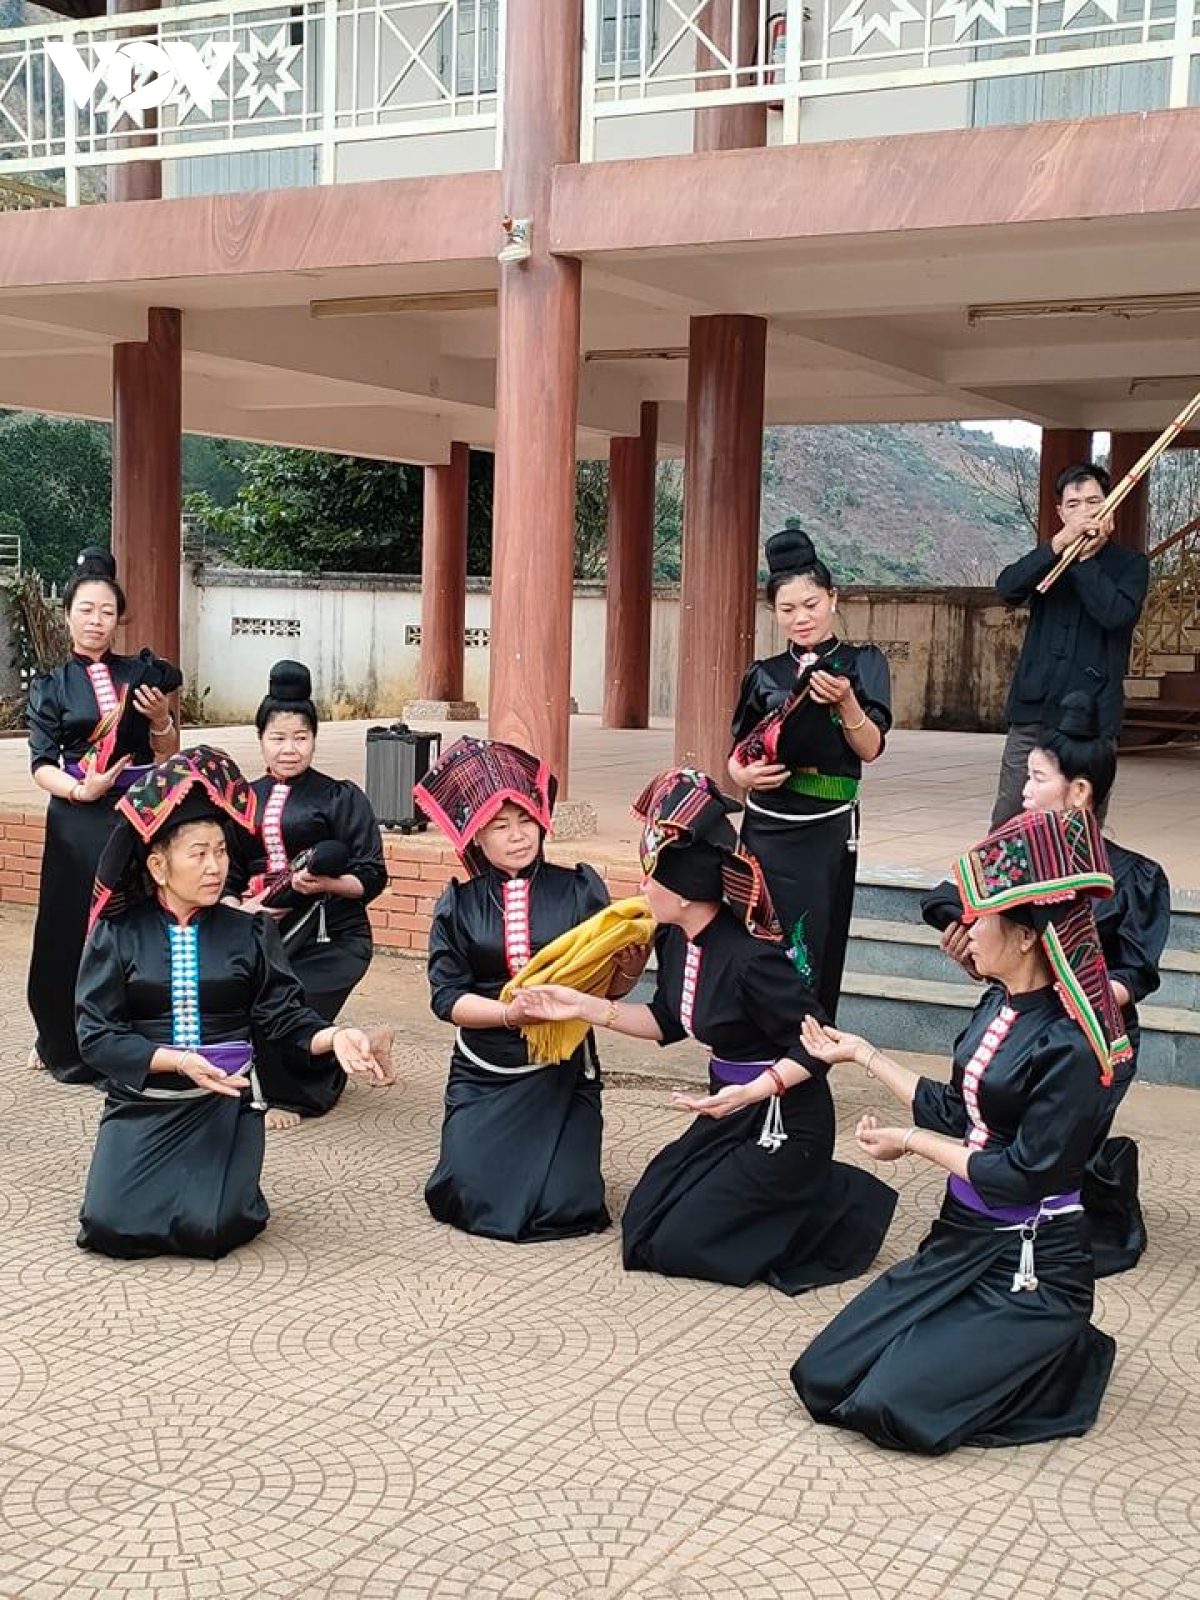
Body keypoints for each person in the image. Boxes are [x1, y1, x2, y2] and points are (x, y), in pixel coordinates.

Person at [791, 807, 1124, 1455]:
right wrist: (862, 1053)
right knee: (824, 1377)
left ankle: (1064, 1352)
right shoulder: (998, 1002)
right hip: (960, 1239)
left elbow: (1018, 1176)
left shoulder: (1070, 1044)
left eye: (980, 918)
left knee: (892, 1408)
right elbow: (956, 1111)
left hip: (1032, 1264)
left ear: (1026, 936)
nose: (965, 930)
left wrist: (909, 1142)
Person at [522, 768, 897, 1293]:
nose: (643, 887)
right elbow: (666, 1020)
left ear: (684, 893)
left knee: (682, 1244)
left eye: (652, 878)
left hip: (782, 1118)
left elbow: (821, 1045)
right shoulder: (676, 939)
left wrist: (753, 1091)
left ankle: (835, 1201)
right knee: (645, 1218)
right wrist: (581, 1005)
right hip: (728, 1111)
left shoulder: (751, 959)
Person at [76, 747, 394, 1260]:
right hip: (143, 1100)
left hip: (222, 1102)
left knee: (212, 1228)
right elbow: (95, 1036)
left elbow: (284, 1015)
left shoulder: (248, 931)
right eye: (198, 854)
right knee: (110, 1226)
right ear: (158, 865)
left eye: (221, 852)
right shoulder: (117, 934)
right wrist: (177, 1061)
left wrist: (336, 1036)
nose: (215, 867)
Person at [922, 691, 1169, 1276]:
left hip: (1089, 1031)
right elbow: (946, 898)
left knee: (1054, 1148)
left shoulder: (1136, 876)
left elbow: (1133, 975)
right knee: (998, 1123)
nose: (1025, 793)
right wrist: (977, 943)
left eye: (1036, 779)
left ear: (1079, 792)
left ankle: (1079, 1201)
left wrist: (1060, 994)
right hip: (1017, 1017)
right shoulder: (1015, 856)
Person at [414, 737, 612, 1243]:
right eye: (500, 826)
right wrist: (509, 1015)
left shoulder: (579, 889)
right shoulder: (458, 905)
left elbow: (610, 986)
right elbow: (446, 998)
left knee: (567, 1205)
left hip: (562, 1064)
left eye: (526, 820)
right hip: (485, 1067)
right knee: (466, 1195)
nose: (518, 835)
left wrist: (628, 966)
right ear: (476, 837)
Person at [25, 547, 182, 1084]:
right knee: (71, 925)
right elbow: (42, 765)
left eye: (107, 611)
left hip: (136, 814)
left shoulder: (140, 673)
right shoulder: (50, 686)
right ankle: (60, 1037)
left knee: (137, 921)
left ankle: (135, 1032)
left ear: (119, 618)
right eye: (87, 610)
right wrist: (80, 789)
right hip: (76, 820)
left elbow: (166, 751)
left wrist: (160, 720)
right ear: (68, 614)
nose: (96, 621)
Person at [727, 529, 890, 1017]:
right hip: (765, 822)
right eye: (787, 609)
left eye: (811, 604)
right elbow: (739, 751)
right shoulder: (764, 673)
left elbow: (871, 748)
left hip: (824, 824)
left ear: (833, 599)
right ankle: (755, 1035)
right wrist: (741, 777)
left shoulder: (861, 664)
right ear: (773, 611)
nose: (801, 618)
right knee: (756, 928)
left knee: (814, 936)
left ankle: (808, 1038)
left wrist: (846, 702)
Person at [224, 661, 386, 1127]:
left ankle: (298, 1095)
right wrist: (243, 910)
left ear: (314, 739)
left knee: (291, 1013)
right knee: (243, 1005)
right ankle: (366, 1040)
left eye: (300, 737)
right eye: (278, 738)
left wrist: (326, 885)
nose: (289, 748)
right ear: (260, 739)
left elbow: (371, 875)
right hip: (262, 931)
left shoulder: (340, 796)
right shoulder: (241, 799)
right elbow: (228, 873)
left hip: (329, 935)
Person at [990, 462, 1149, 827]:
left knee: (1081, 826)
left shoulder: (1130, 564)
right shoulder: (1047, 558)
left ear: (1110, 505)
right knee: (1010, 819)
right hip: (1034, 710)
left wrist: (1085, 561)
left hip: (1092, 716)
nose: (1084, 512)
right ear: (1061, 513)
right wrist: (1059, 545)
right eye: (1073, 504)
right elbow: (1007, 589)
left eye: (1094, 501)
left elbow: (1116, 615)